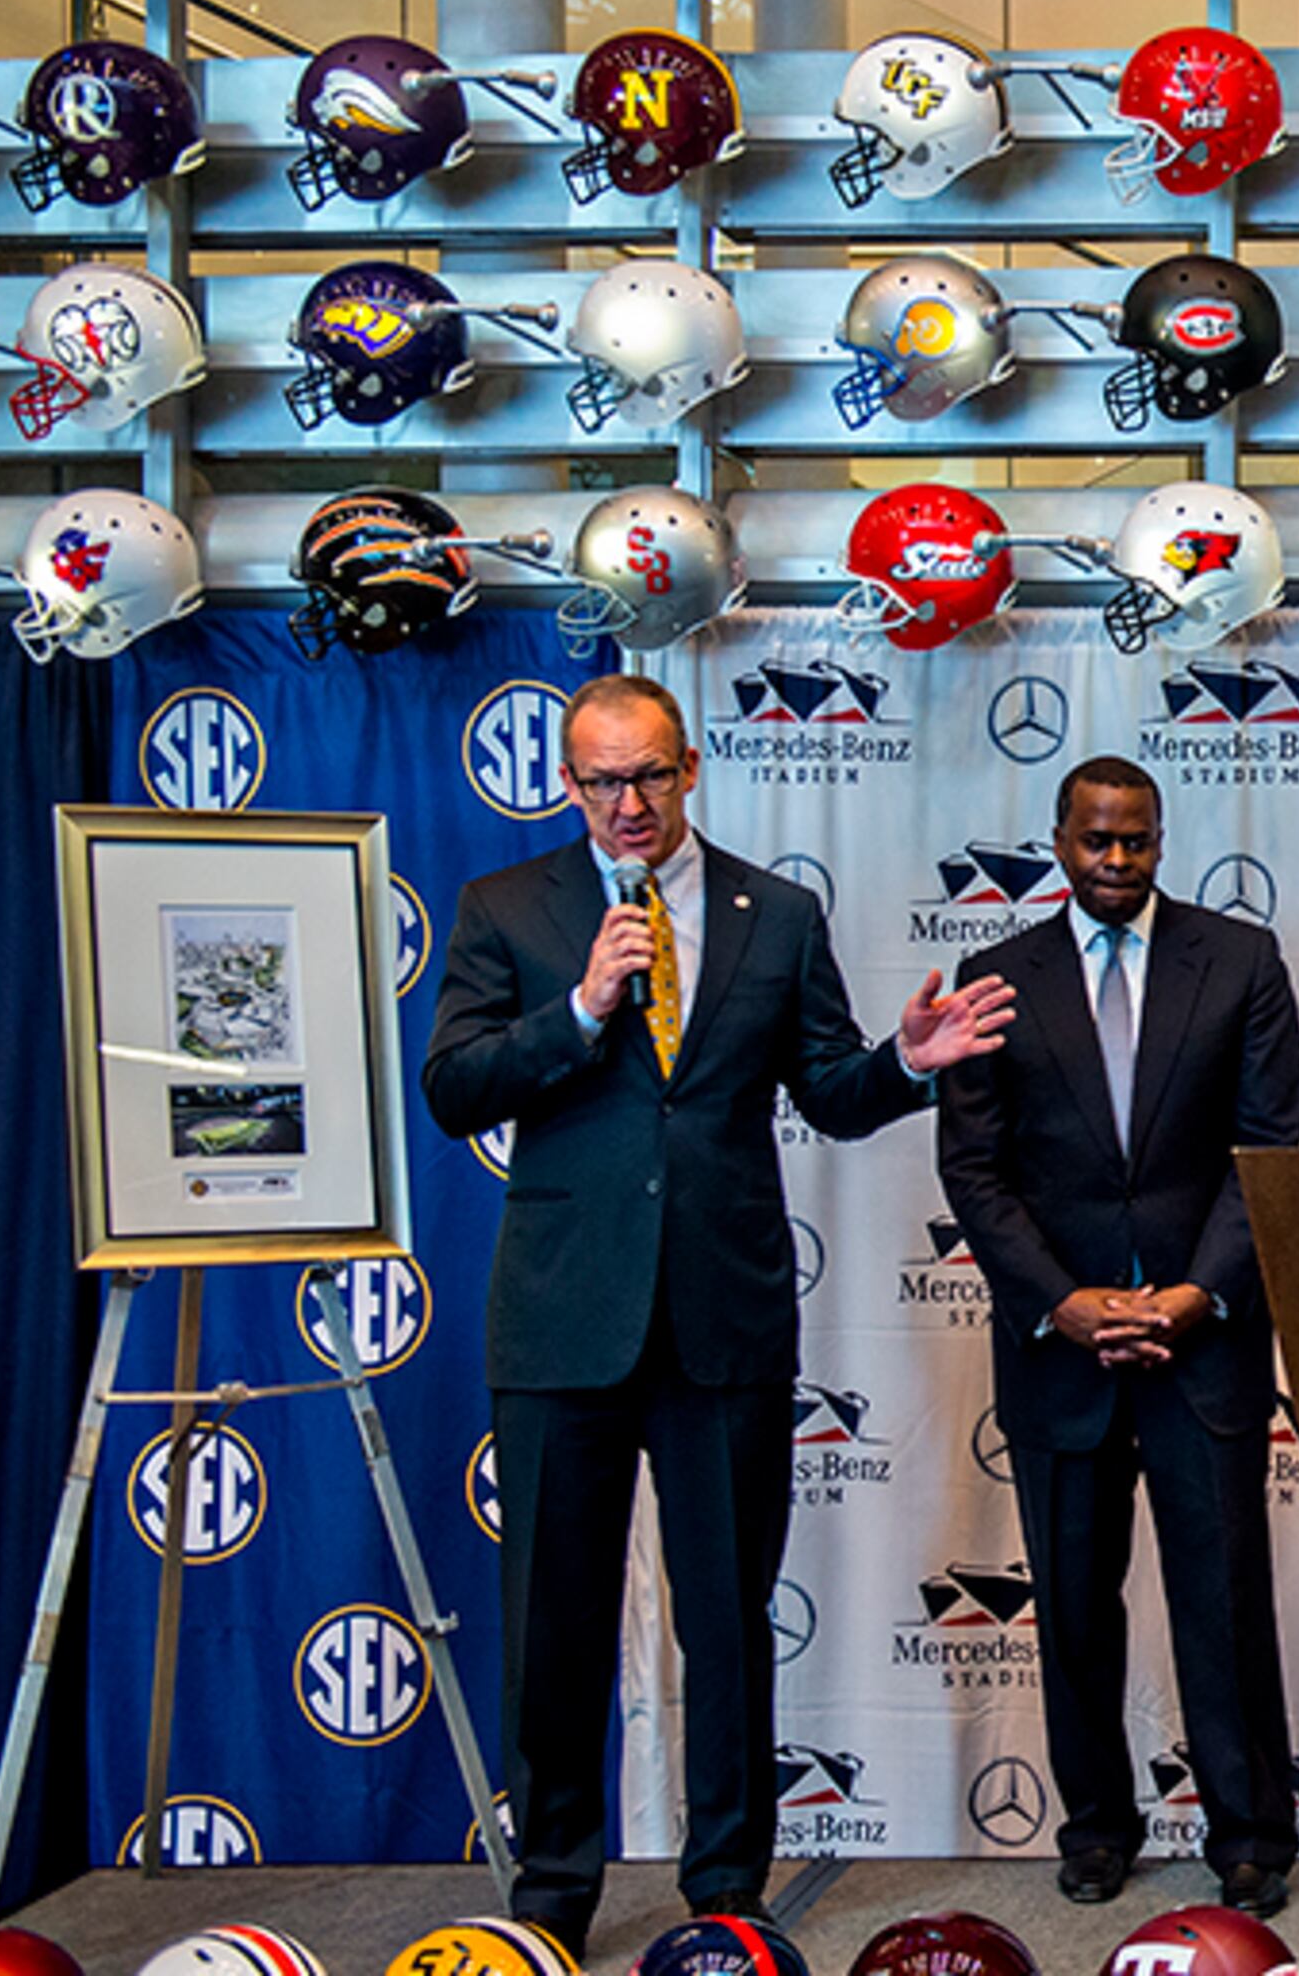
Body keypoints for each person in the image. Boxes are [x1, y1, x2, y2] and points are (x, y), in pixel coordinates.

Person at [422, 674, 1012, 1955]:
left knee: (728, 1613)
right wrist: (579, 1008)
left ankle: (727, 1881)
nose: (626, 804)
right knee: (554, 1614)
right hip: (563, 1320)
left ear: (690, 769)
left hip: (725, 1318)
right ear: (567, 785)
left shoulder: (778, 911)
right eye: (600, 781)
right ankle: (556, 1881)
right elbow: (455, 1088)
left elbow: (836, 1093)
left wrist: (909, 1060)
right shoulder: (507, 909)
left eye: (648, 776)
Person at [934, 756, 1299, 1919]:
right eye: (1096, 841)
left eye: (1137, 841)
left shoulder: (1240, 960)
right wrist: (1065, 1301)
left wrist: (1195, 1297)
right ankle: (1096, 1824)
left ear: (1161, 840)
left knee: (1225, 1598)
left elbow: (1269, 1146)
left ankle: (1250, 1835)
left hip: (1203, 1345)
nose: (1116, 861)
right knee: (1075, 1605)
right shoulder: (996, 980)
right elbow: (975, 1170)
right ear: (1058, 841)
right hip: (1061, 1352)